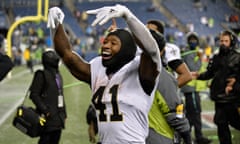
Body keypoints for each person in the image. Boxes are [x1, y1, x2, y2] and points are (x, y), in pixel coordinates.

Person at [47, 4, 161, 144]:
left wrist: (128, 16)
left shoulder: (140, 71)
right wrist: (56, 25)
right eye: (105, 42)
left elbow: (151, 50)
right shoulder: (98, 68)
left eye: (113, 43)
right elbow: (67, 56)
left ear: (126, 49)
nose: (106, 46)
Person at [146, 20, 193, 144]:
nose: (147, 33)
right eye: (146, 30)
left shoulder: (167, 50)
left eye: (152, 31)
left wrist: (166, 90)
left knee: (170, 128)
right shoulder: (140, 47)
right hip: (147, 105)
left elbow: (186, 75)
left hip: (165, 100)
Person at [192, 30, 240, 144]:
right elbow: (209, 73)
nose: (223, 43)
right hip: (219, 98)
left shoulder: (238, 57)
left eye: (226, 41)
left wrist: (236, 82)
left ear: (231, 42)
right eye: (221, 41)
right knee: (221, 125)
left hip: (234, 99)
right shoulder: (216, 57)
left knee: (237, 123)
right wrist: (198, 75)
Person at [29, 50, 67, 144]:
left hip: (58, 118)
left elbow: (60, 95)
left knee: (55, 140)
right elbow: (34, 95)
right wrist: (45, 110)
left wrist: (64, 113)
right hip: (47, 118)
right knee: (45, 141)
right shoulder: (41, 75)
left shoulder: (58, 75)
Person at [181, 32, 211, 144]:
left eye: (194, 40)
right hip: (190, 88)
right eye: (191, 40)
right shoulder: (188, 53)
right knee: (195, 112)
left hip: (193, 88)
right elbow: (194, 68)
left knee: (191, 113)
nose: (193, 42)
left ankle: (187, 136)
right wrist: (199, 58)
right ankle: (198, 137)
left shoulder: (193, 52)